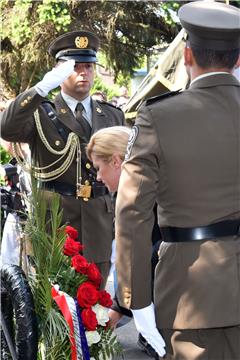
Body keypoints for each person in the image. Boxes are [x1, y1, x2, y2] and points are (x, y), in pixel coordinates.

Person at [115, 2, 240, 360]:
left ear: (187, 55)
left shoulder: (160, 117)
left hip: (191, 291)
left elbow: (132, 213)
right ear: (238, 59)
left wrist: (136, 301)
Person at [0, 30, 125, 289]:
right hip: (56, 225)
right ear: (59, 71)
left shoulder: (112, 116)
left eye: (88, 66)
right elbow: (7, 129)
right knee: (56, 312)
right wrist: (40, 88)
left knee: (95, 310)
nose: (83, 72)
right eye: (75, 66)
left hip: (100, 224)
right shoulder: (41, 112)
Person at [86, 126, 162, 359]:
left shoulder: (143, 197)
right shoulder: (139, 189)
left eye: (99, 168)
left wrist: (119, 307)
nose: (98, 177)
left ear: (117, 161)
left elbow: (149, 254)